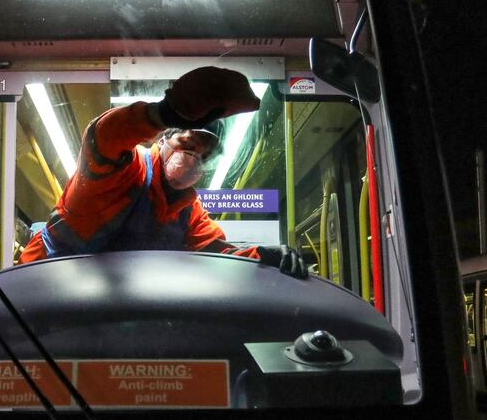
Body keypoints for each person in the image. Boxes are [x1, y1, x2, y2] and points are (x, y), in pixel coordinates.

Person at [18, 66, 307, 278]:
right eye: (187, 143)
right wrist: (162, 113)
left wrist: (263, 256)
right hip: (40, 285)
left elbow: (217, 253)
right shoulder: (125, 169)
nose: (192, 158)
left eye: (202, 155)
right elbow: (103, 135)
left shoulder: (188, 209)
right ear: (163, 139)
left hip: (105, 301)